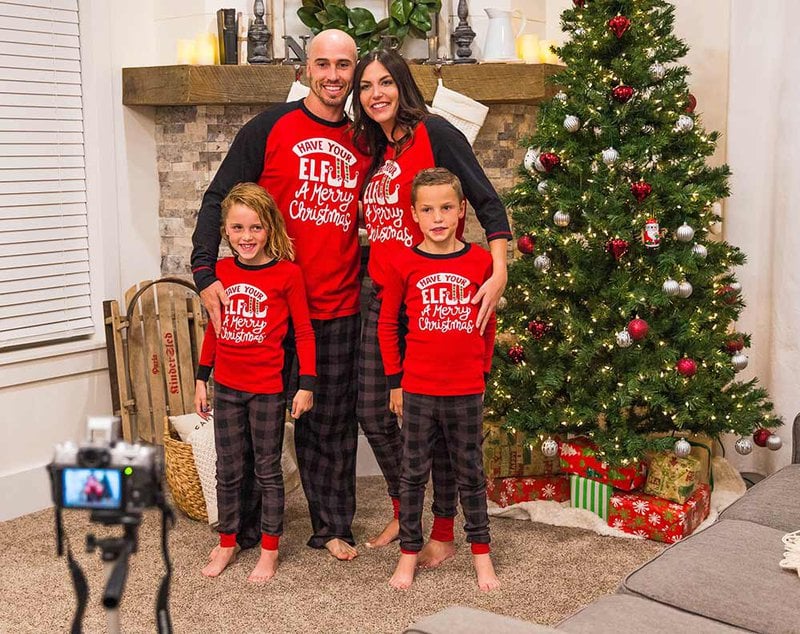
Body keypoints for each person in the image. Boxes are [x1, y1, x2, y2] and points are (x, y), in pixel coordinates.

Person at [190, 30, 370, 560]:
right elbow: (217, 198)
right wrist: (206, 273)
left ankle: (333, 526)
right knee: (246, 433)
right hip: (263, 312)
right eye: (322, 63)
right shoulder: (269, 127)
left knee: (329, 426)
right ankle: (242, 532)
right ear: (305, 69)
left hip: (335, 306)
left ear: (355, 72)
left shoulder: (367, 139)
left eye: (343, 65)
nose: (333, 75)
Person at [351, 48, 512, 562]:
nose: (376, 94)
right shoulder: (371, 148)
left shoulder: (435, 133)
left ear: (403, 85)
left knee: (440, 425)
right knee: (375, 411)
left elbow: (486, 200)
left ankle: (442, 528)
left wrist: (499, 269)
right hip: (381, 292)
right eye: (366, 86)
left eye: (385, 82)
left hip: (433, 293)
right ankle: (406, 511)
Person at [377, 167, 500, 592]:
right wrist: (396, 382)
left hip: (465, 389)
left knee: (470, 472)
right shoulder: (403, 262)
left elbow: (489, 324)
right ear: (413, 214)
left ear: (462, 209)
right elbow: (388, 326)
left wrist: (481, 373)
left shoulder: (481, 261)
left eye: (447, 207)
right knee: (413, 474)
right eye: (427, 209)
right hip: (418, 389)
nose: (438, 217)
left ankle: (481, 556)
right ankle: (408, 553)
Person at [195, 183, 316, 583]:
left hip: (267, 390)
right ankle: (228, 541)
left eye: (256, 228)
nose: (247, 237)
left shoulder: (288, 275)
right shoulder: (221, 275)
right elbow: (214, 330)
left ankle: (269, 548)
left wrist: (306, 384)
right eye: (237, 228)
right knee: (227, 469)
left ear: (270, 230)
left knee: (267, 470)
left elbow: (303, 334)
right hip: (226, 388)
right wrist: (201, 379)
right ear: (226, 232)